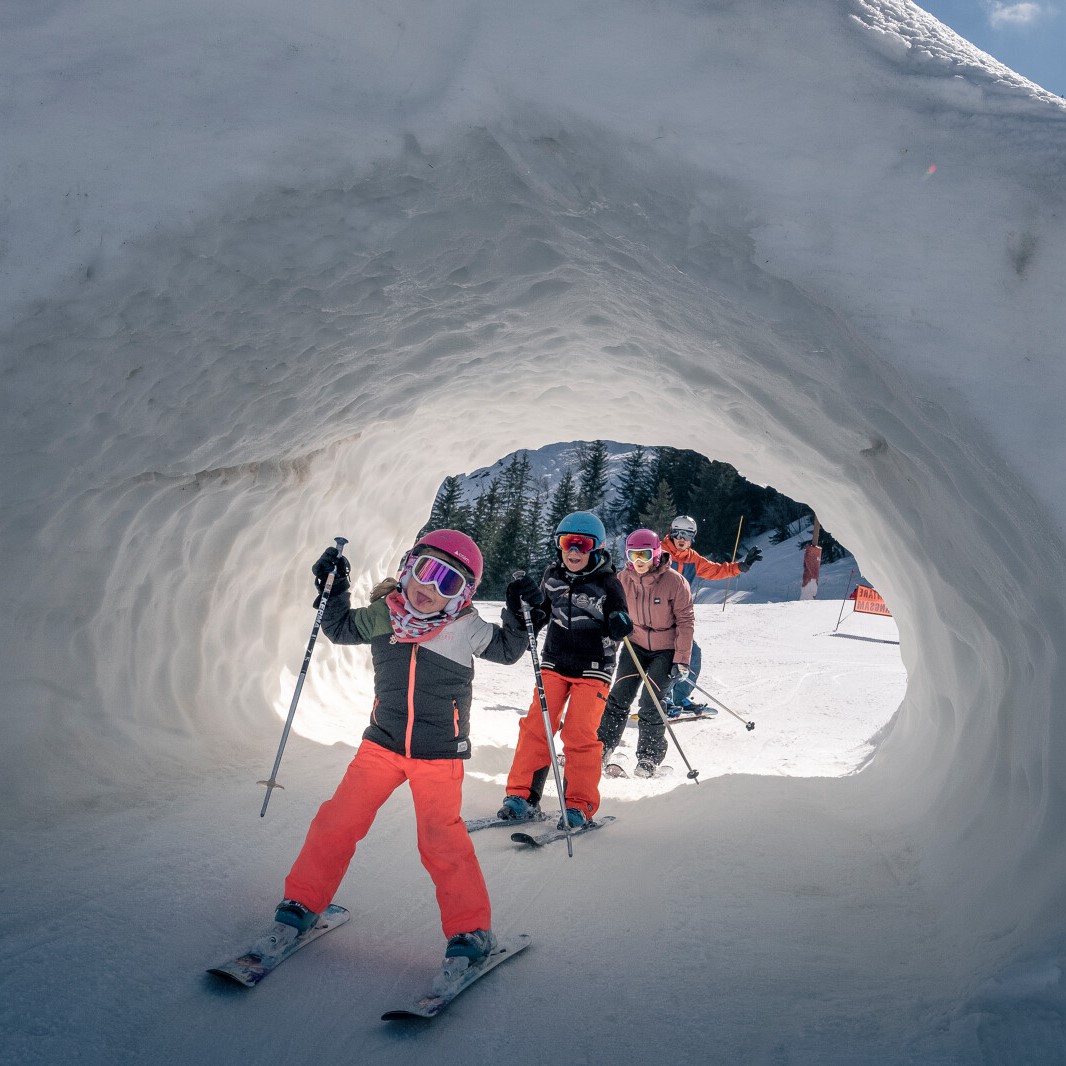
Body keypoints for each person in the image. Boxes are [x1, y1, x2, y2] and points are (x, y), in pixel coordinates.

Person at [274, 529, 532, 971]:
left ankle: (471, 931)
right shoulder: (384, 615)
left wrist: (522, 610)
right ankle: (302, 903)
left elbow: (509, 651)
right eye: (427, 571)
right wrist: (332, 587)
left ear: (463, 594)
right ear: (408, 568)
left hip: (439, 753)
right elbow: (337, 628)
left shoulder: (465, 626)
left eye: (448, 583)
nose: (429, 589)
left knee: (440, 842)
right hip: (382, 744)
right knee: (336, 822)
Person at [497, 511, 631, 829]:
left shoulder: (609, 583)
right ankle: (522, 797)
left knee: (579, 733)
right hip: (554, 662)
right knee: (536, 726)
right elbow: (539, 616)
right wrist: (520, 606)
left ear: (595, 548)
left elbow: (622, 621)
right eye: (566, 542)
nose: (573, 551)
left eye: (581, 544)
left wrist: (619, 623)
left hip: (595, 668)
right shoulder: (552, 577)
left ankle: (578, 805)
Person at [597, 528, 694, 778]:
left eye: (644, 555)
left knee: (650, 704)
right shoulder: (623, 579)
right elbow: (614, 616)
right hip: (635, 644)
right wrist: (610, 648)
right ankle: (601, 749)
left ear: (656, 554)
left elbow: (685, 622)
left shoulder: (675, 582)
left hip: (665, 649)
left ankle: (649, 758)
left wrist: (682, 660)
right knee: (619, 697)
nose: (638, 561)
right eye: (633, 555)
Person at [659, 514, 762, 715]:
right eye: (678, 533)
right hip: (657, 616)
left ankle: (679, 698)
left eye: (687, 535)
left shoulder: (692, 559)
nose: (681, 538)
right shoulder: (659, 553)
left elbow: (715, 571)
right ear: (671, 534)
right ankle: (663, 699)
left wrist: (741, 566)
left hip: (678, 619)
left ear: (692, 539)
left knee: (693, 655)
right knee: (668, 657)